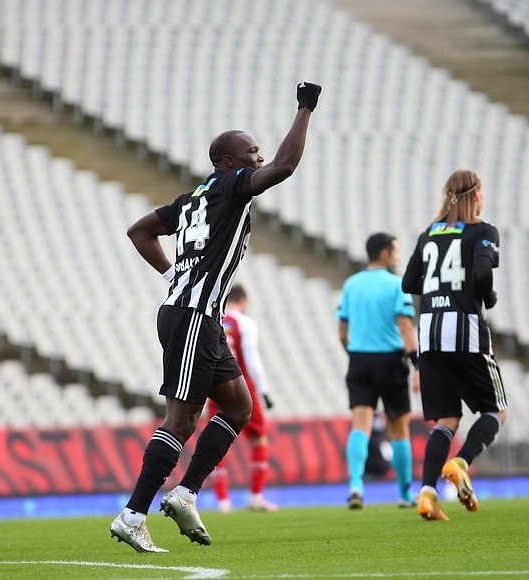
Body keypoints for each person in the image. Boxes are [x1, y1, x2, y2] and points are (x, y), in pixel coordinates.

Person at [110, 82, 322, 553]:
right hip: (191, 316)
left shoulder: (190, 200)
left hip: (196, 313)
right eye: (252, 151)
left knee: (239, 406)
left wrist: (172, 273)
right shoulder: (229, 187)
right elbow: (285, 167)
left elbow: (140, 230)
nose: (259, 157)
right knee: (181, 421)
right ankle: (132, 514)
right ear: (229, 161)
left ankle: (185, 493)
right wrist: (305, 108)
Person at [402, 168, 507, 521]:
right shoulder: (482, 231)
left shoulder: (428, 234)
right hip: (466, 332)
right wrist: (487, 296)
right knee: (496, 411)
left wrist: (440, 293)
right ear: (476, 196)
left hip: (429, 333)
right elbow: (480, 274)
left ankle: (428, 495)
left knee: (445, 420)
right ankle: (460, 463)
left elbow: (408, 282)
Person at [336, 232, 420, 510]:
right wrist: (417, 363)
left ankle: (356, 485)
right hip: (391, 361)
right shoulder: (397, 284)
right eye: (395, 251)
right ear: (384, 253)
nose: (398, 257)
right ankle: (406, 494)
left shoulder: (351, 284)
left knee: (360, 424)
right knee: (399, 429)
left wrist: (354, 354)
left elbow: (342, 332)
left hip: (359, 359)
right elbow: (406, 328)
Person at [208, 283, 278, 513]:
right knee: (259, 437)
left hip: (214, 387)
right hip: (241, 386)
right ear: (244, 301)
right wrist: (264, 390)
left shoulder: (212, 319)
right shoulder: (245, 323)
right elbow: (251, 357)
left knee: (217, 442)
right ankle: (256, 496)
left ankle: (222, 501)